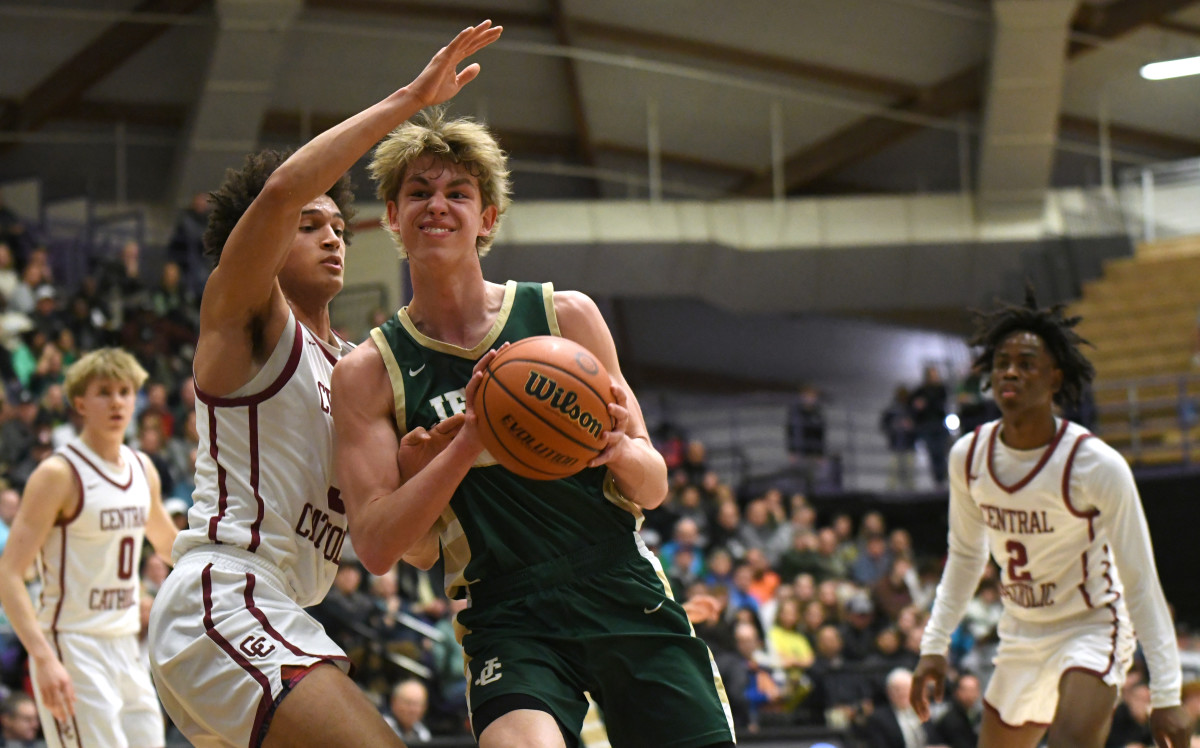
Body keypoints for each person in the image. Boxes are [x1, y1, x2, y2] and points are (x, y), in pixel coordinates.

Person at [145, 21, 504, 748]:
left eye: (339, 226)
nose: (333, 235)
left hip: (284, 607)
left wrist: (429, 460)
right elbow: (280, 191)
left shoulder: (360, 370)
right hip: (224, 595)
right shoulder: (246, 320)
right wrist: (409, 100)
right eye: (311, 225)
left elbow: (412, 552)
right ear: (269, 240)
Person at [330, 108, 736, 747]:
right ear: (391, 216)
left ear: (487, 217)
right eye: (418, 192)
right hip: (506, 608)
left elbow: (652, 485)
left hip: (618, 581)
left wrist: (615, 449)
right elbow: (384, 549)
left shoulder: (563, 316)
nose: (437, 205)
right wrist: (464, 445)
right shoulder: (368, 372)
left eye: (458, 193)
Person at [909, 290, 1192, 748]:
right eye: (1002, 362)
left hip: (1092, 624)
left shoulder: (1095, 465)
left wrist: (1166, 693)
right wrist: (934, 646)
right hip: (1022, 629)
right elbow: (965, 557)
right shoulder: (968, 456)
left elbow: (1141, 580)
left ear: (1055, 378)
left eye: (1026, 362)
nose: (1011, 372)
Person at [0, 348, 177, 747]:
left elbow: (167, 542)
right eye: (104, 392)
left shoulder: (142, 468)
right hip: (73, 644)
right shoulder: (58, 474)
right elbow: (9, 574)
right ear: (80, 402)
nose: (117, 401)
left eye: (125, 391)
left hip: (127, 643)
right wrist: (43, 658)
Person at [861, 668, 926, 748]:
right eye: (897, 689)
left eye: (906, 689)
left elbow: (936, 739)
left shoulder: (923, 712)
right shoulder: (878, 719)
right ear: (888, 692)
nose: (902, 693)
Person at [384, 678, 433, 743]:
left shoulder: (423, 733)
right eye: (408, 703)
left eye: (417, 704)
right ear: (394, 702)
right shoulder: (381, 727)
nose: (412, 710)